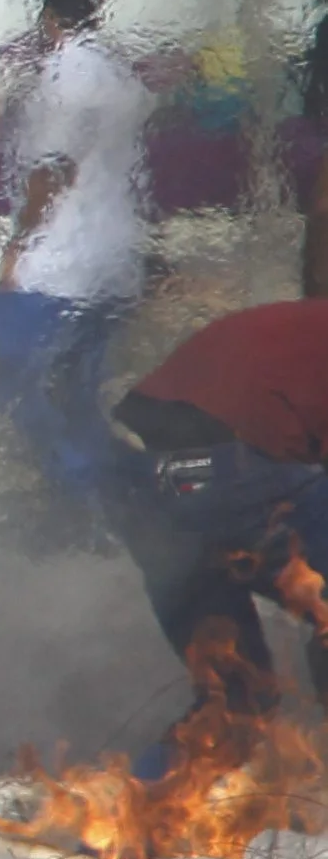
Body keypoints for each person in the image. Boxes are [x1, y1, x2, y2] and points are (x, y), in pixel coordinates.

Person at [106, 302, 328, 714]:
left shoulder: (302, 327)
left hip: (140, 487)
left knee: (235, 705)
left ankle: (155, 774)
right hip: (219, 468)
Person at [0, 0, 150, 512]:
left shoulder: (64, 77)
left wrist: (17, 248)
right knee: (79, 390)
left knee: (14, 378)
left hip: (57, 263)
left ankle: (82, 494)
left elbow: (49, 171)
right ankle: (114, 498)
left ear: (51, 20)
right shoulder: (122, 77)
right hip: (112, 259)